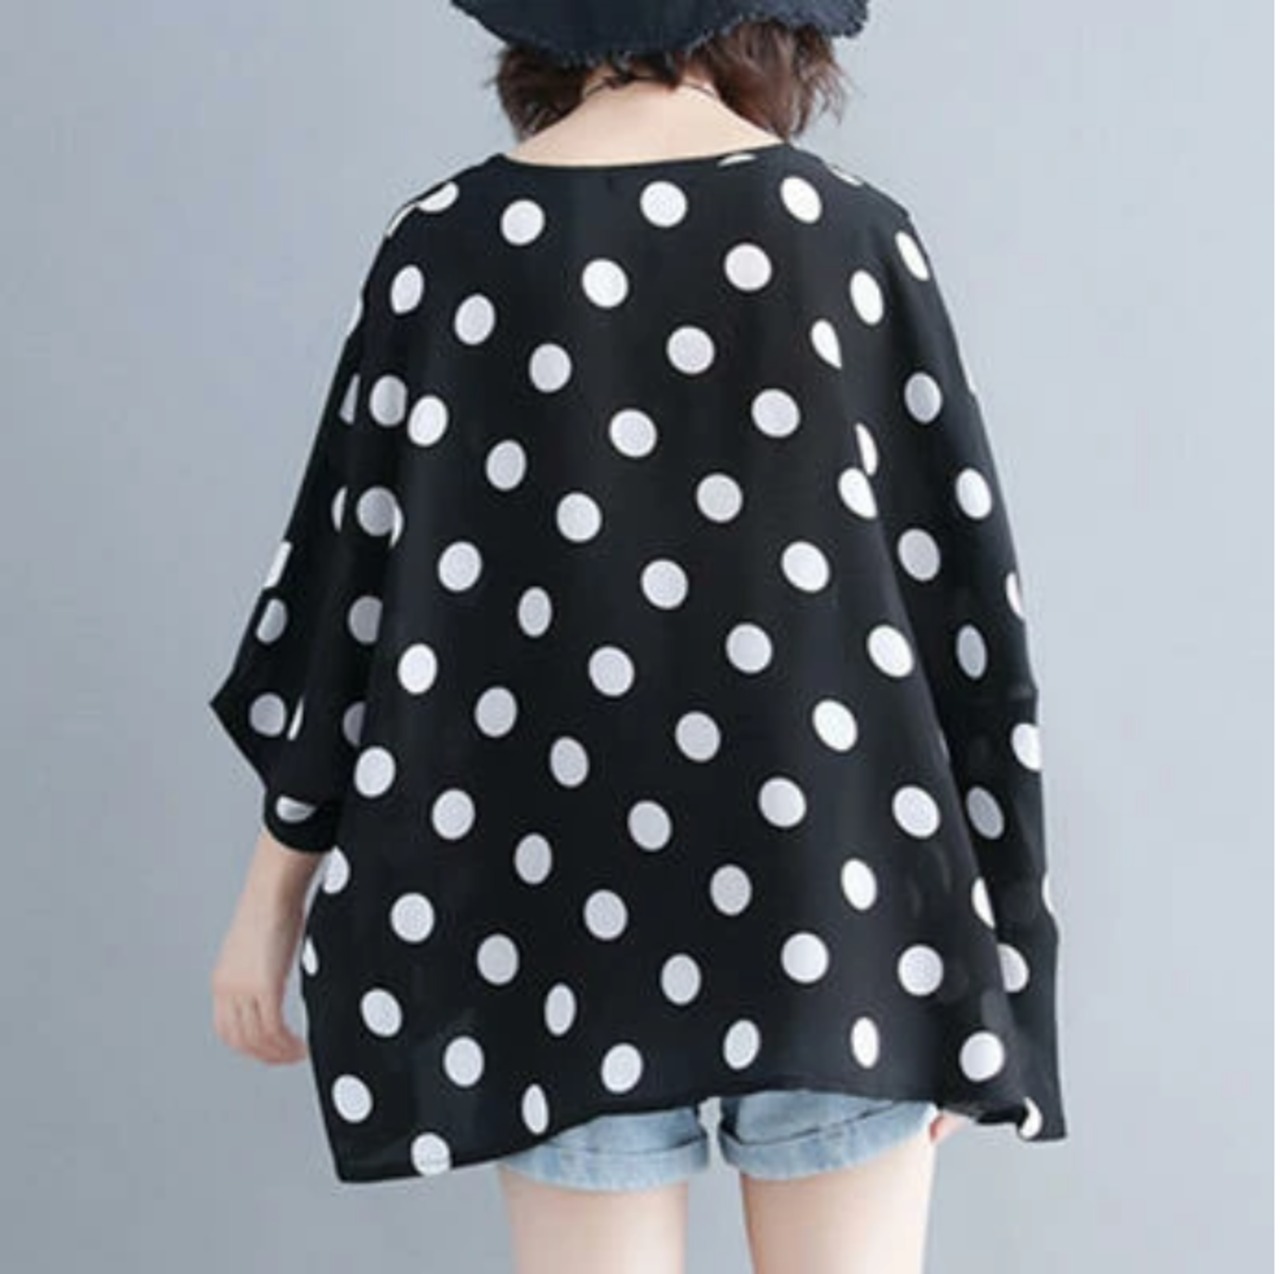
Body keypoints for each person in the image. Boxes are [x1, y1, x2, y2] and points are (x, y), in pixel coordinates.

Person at [208, 4, 1067, 1272]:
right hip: (838, 897)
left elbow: (348, 607)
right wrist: (994, 962)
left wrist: (268, 901)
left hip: (551, 906)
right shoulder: (848, 235)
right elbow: (965, 628)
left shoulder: (445, 246)